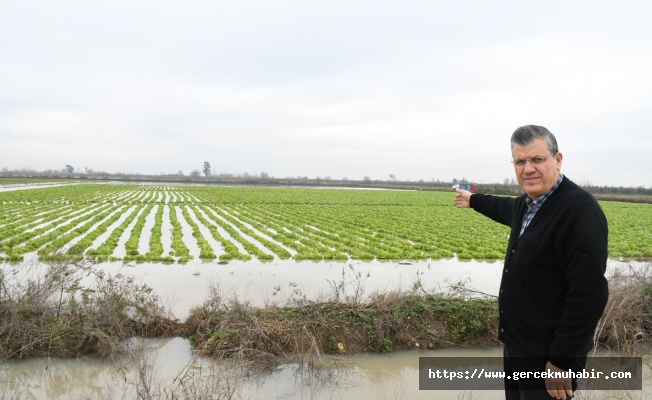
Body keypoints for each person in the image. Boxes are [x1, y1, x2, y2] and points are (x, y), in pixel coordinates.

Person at [454, 125, 609, 400]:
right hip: (518, 346)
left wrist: (562, 361)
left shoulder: (579, 211)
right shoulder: (528, 205)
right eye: (520, 161)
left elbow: (589, 295)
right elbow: (501, 207)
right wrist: (473, 200)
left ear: (557, 160)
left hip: (548, 356)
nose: (528, 168)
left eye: (537, 159)